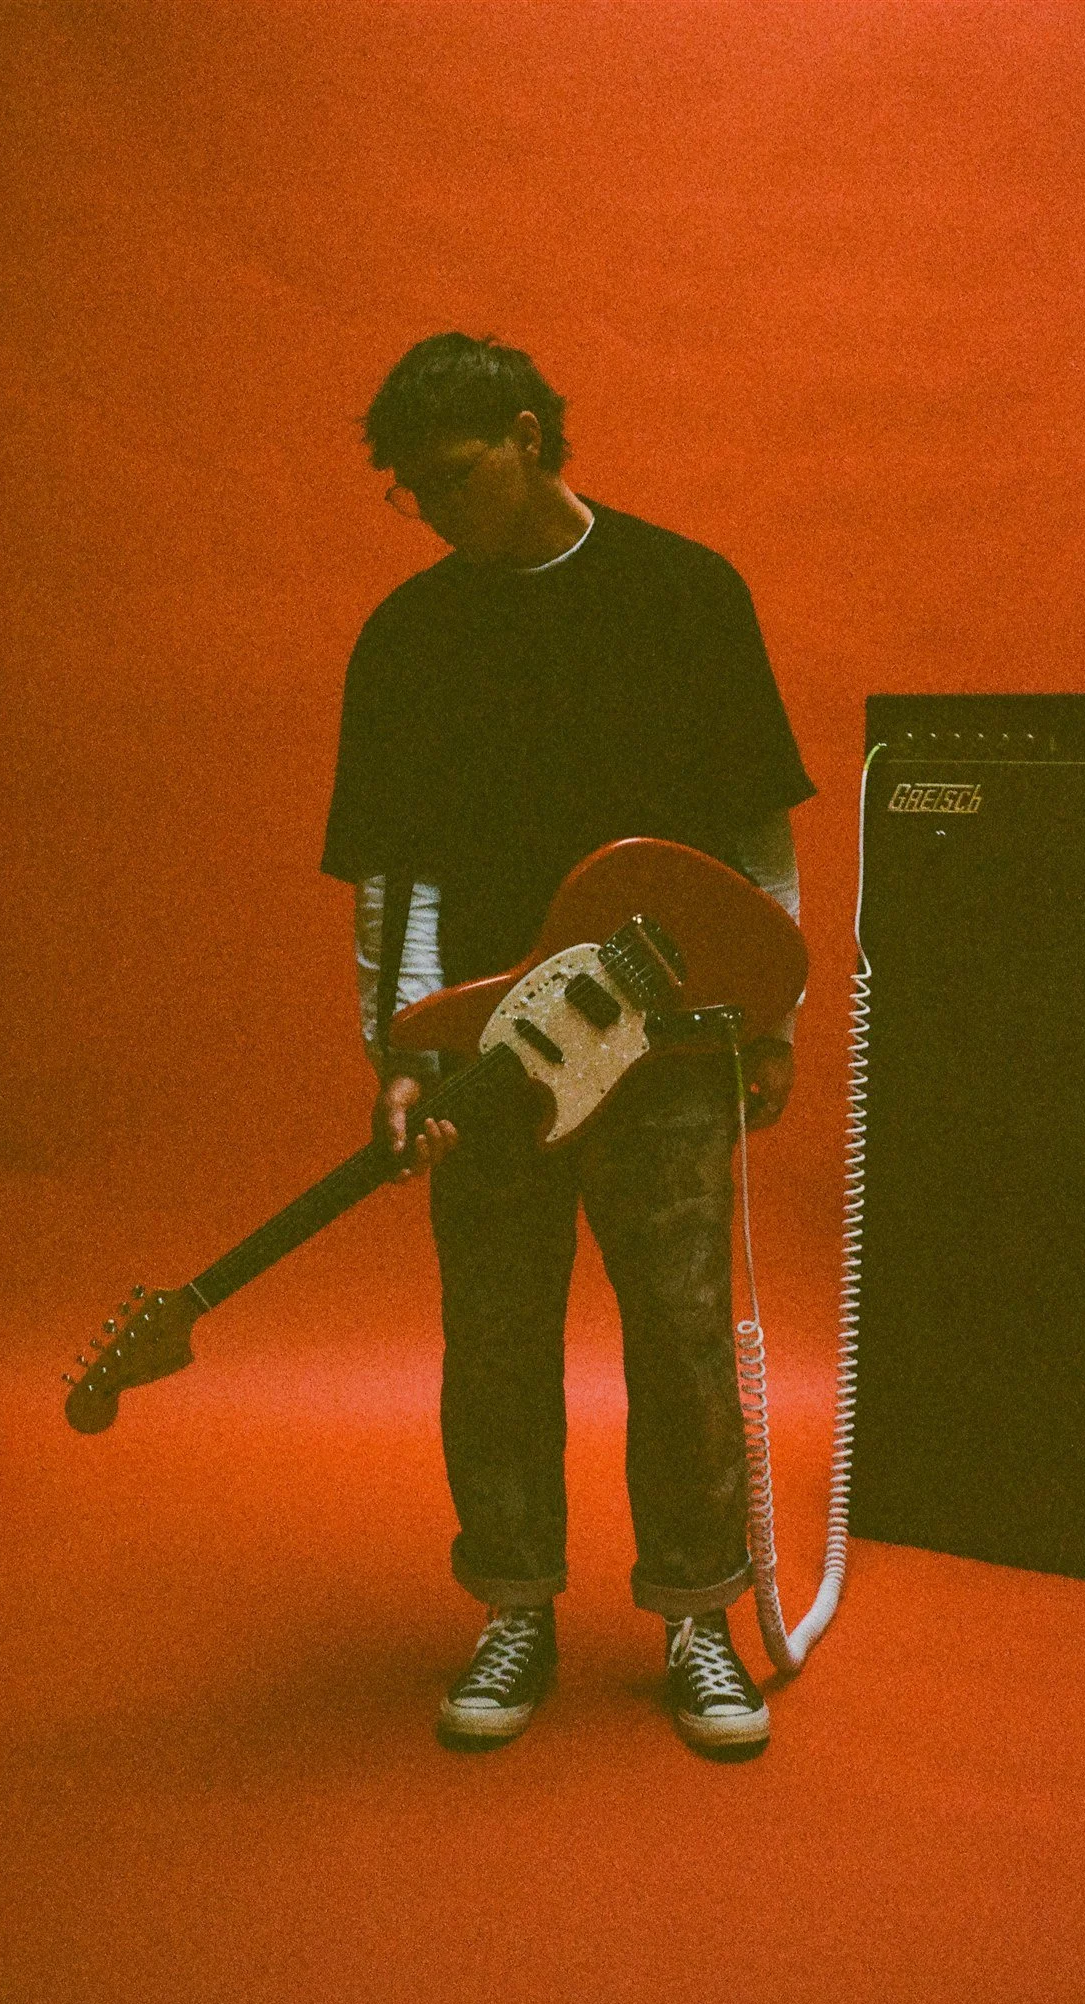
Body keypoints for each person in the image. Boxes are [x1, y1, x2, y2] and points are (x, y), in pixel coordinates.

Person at [321, 333, 815, 1758]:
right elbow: (394, 879)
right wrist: (403, 1050)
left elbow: (755, 833)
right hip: (486, 1055)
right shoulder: (406, 637)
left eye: (453, 474)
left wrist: (771, 1011)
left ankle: (697, 1618)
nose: (434, 508)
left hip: (673, 1037)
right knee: (492, 1341)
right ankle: (514, 1604)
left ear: (530, 437)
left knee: (681, 1340)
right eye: (411, 491)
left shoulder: (686, 591)